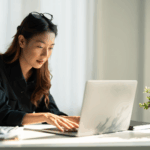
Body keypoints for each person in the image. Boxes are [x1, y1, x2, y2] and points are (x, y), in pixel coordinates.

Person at [0, 11, 80, 132]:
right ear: (22, 41)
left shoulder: (39, 75)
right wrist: (44, 116)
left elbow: (50, 111)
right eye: (40, 47)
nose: (45, 54)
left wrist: (73, 120)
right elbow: (2, 115)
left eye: (50, 48)